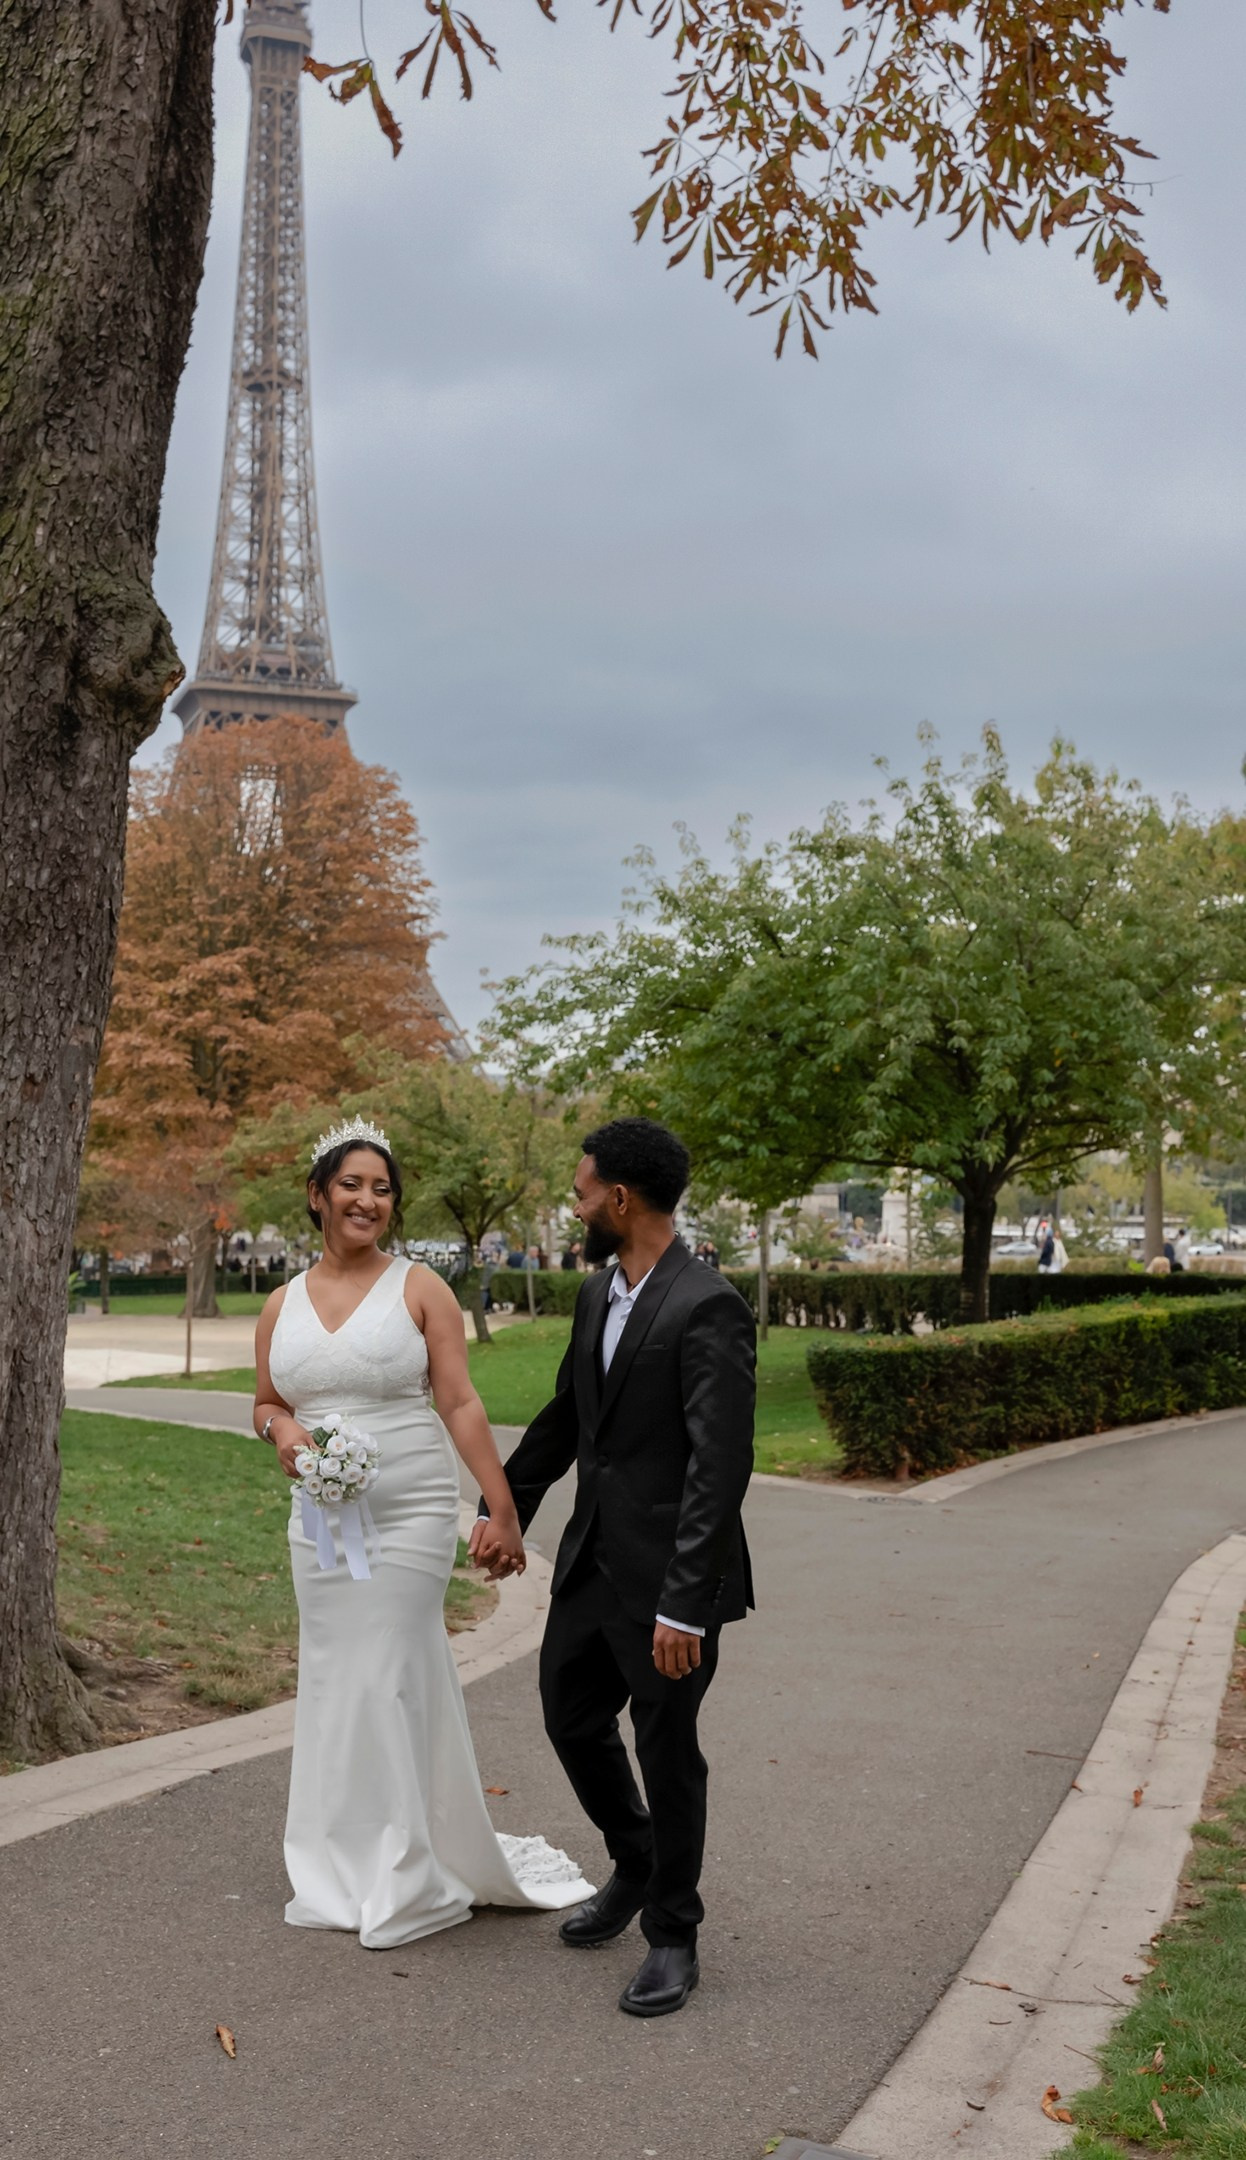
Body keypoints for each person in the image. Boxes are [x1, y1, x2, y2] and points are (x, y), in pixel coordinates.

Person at [252, 1115, 591, 1949]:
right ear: (317, 1195)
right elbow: (266, 1402)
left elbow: (460, 1402)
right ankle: (339, 1855)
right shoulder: (278, 1303)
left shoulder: (419, 1288)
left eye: (382, 1188)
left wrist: (500, 1506)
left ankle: (408, 1865)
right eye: (351, 1184)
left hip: (407, 1515)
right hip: (320, 1521)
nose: (368, 1199)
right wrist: (285, 1437)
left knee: (393, 1669)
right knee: (335, 1675)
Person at [472, 1117, 756, 2019]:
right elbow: (570, 1415)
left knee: (669, 1753)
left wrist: (685, 1605)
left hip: (674, 1583)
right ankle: (636, 1862)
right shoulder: (600, 1295)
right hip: (594, 1563)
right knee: (569, 1714)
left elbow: (721, 1466)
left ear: (621, 1199)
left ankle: (673, 1933)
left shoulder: (707, 1304)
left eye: (584, 1189)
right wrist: (504, 1506)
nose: (577, 1201)